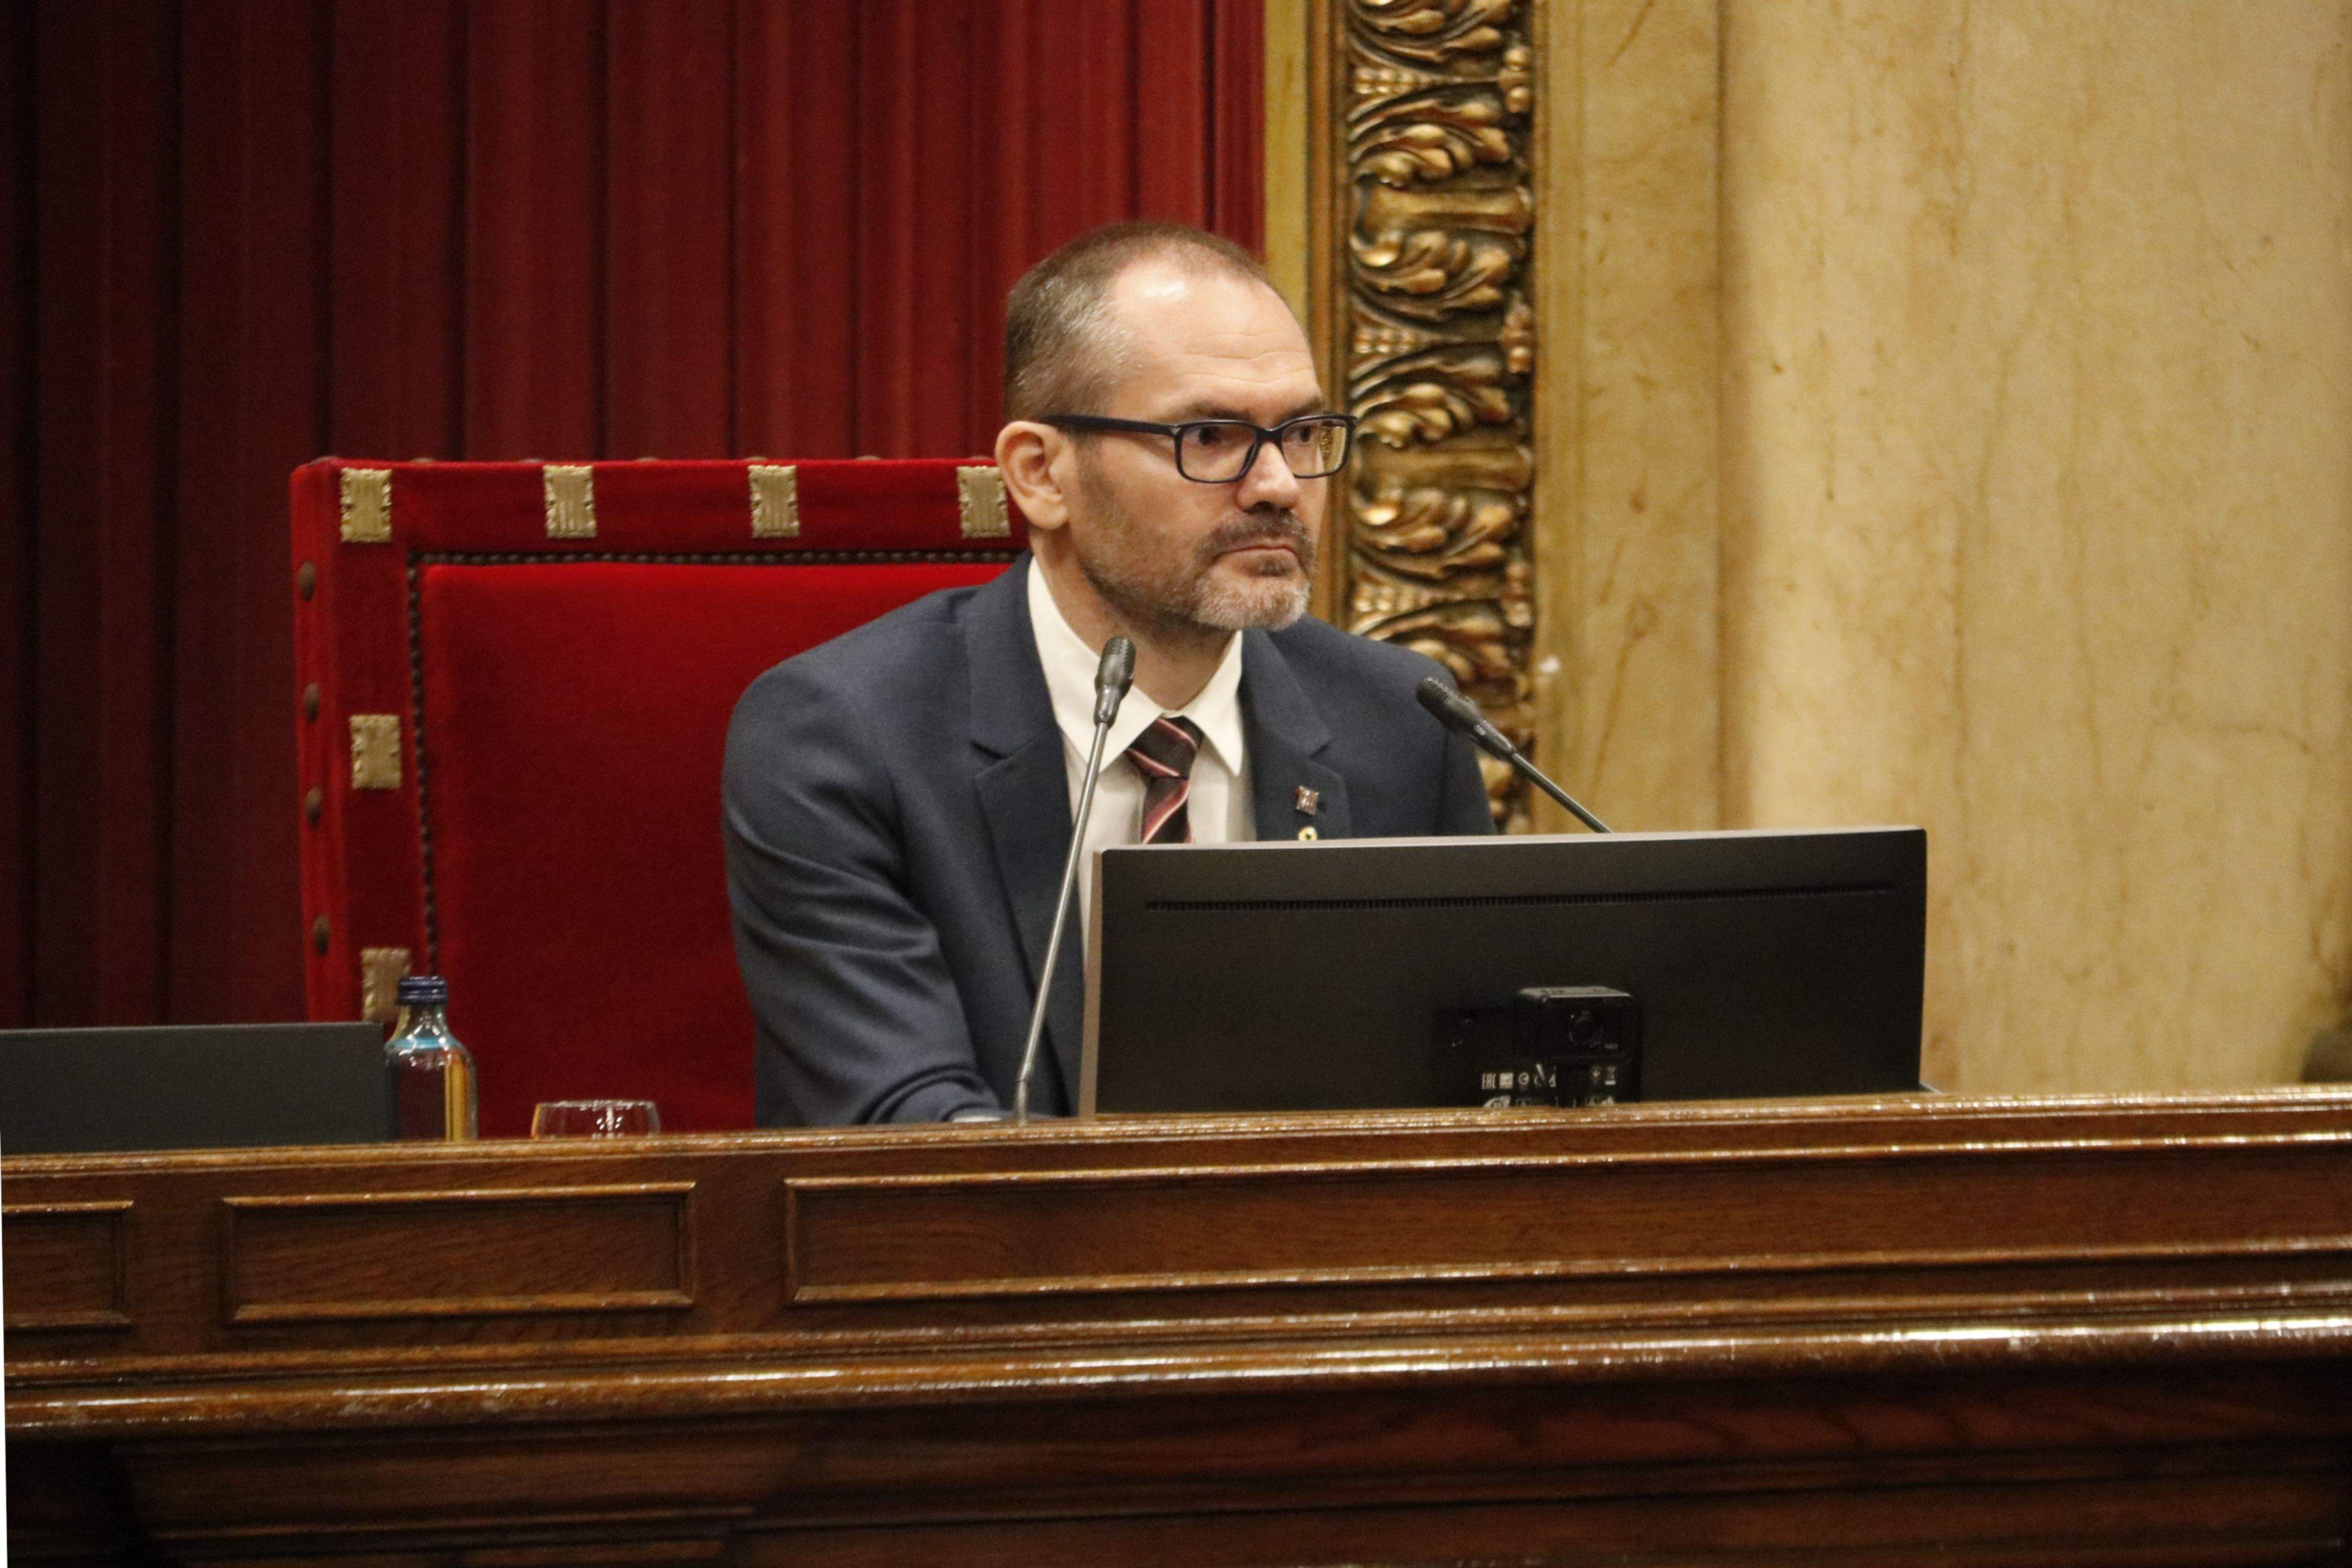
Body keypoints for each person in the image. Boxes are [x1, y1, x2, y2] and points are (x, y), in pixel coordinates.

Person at [723, 221, 1496, 1125]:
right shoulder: (842, 736)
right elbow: (905, 1127)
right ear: (1042, 474)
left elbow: (1466, 1092)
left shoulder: (1403, 721)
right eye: (1211, 436)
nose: (1280, 485)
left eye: (1304, 432)